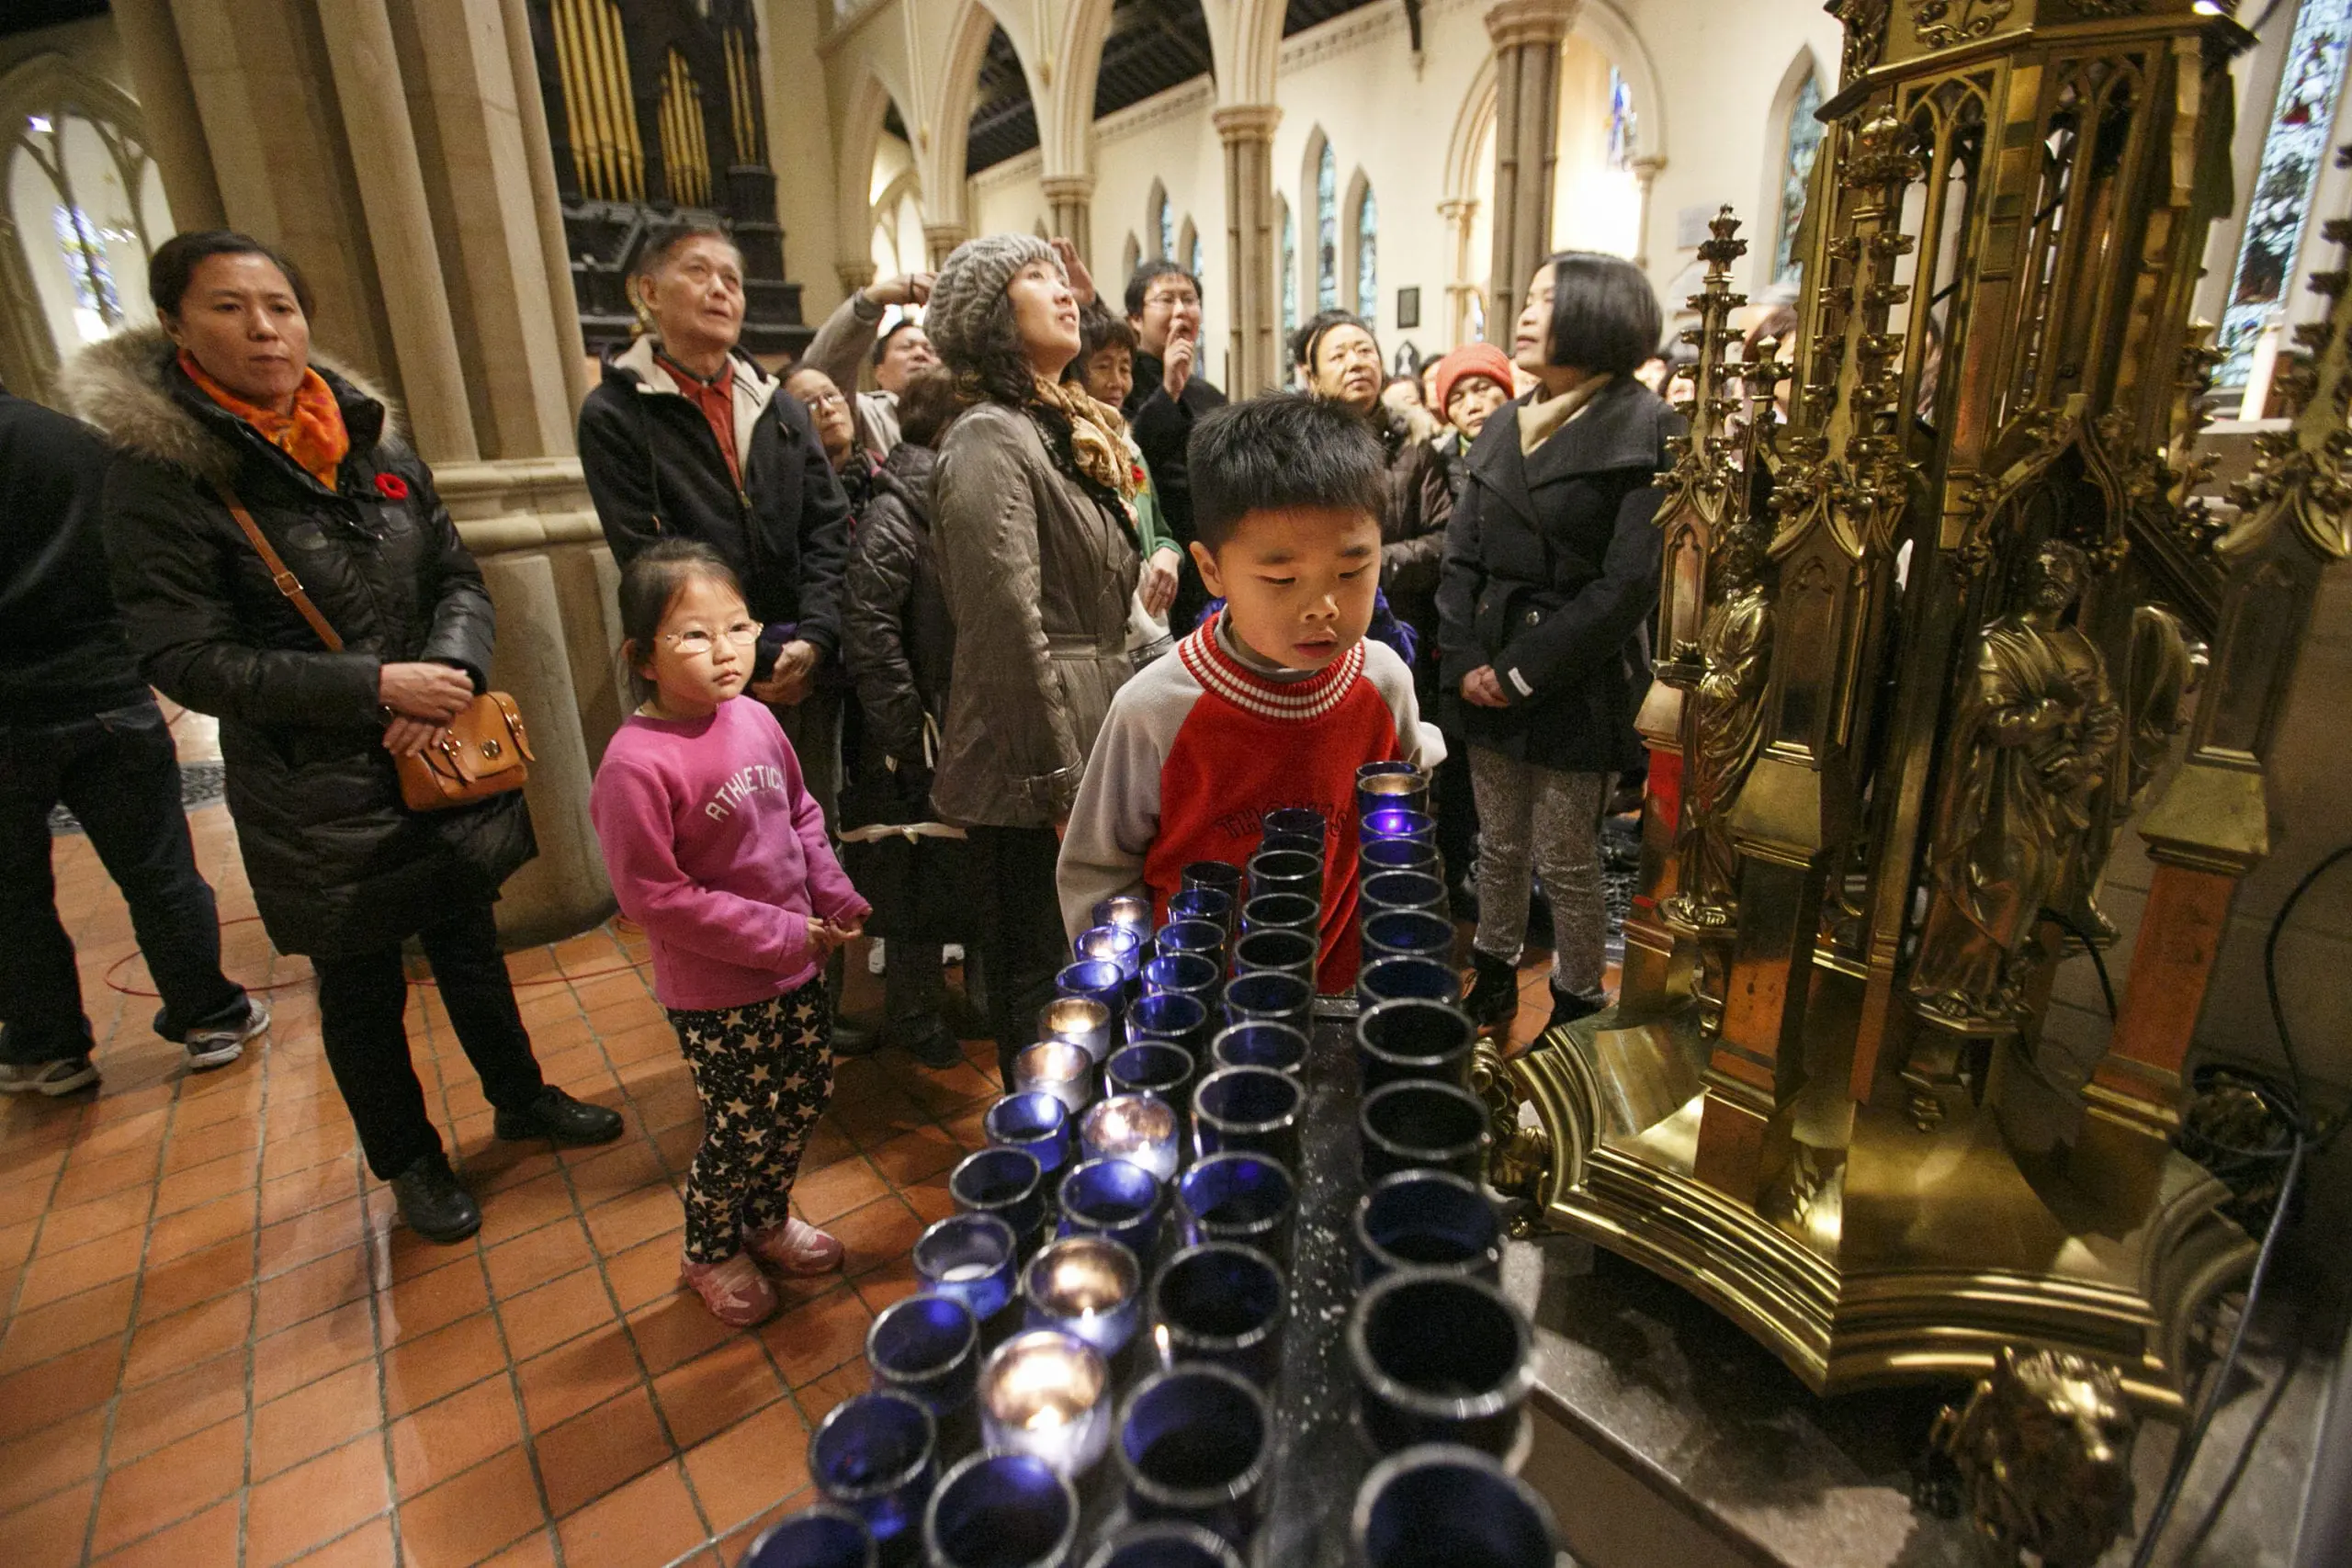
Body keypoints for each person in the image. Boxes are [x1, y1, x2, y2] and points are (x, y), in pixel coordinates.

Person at [76, 231, 619, 1242]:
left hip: (437, 749)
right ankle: (409, 1160)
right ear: (174, 324)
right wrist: (377, 689)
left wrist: (446, 678)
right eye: (230, 306)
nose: (264, 328)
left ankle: (522, 1096)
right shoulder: (163, 476)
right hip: (314, 784)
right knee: (363, 985)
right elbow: (185, 657)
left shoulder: (366, 437)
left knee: (471, 940)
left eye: (280, 305)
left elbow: (455, 571)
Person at [1057, 394, 1442, 994]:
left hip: (1341, 998)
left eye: (1351, 570)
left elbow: (1409, 804)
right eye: (1282, 579)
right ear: (1211, 570)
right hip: (1198, 1009)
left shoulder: (1384, 681)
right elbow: (1097, 869)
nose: (1323, 606)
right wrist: (1139, 999)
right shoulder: (1156, 709)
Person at [590, 540, 868, 1326]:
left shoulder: (754, 718)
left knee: (806, 1092)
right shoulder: (634, 765)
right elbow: (656, 896)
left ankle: (766, 1219)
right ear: (642, 657)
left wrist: (832, 889)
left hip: (798, 963)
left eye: (740, 628)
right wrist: (780, 932)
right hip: (719, 989)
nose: (726, 652)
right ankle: (708, 1249)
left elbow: (800, 813)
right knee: (741, 1122)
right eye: (694, 636)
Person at [1437, 252, 1684, 1038]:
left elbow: (1627, 586)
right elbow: (1459, 558)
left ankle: (1578, 999)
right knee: (1499, 842)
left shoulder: (1648, 426)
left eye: (1549, 297)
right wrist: (1470, 656)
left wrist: (1517, 672)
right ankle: (1498, 972)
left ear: (1599, 313)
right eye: (1531, 292)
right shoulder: (1507, 419)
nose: (1528, 308)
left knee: (1567, 854)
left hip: (1576, 673)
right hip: (1489, 665)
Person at [0, 387, 270, 1095]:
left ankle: (46, 1046)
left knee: (11, 894)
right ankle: (210, 1016)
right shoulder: (73, 441)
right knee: (159, 867)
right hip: (102, 687)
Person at [927, 234, 1142, 1083]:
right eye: (1036, 276)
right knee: (1041, 974)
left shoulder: (1055, 421)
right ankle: (1045, 1156)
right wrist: (1055, 784)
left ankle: (1097, 1130)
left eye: (1061, 278)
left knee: (1094, 953)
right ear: (989, 315)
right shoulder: (988, 436)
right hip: (1030, 750)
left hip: (1091, 714)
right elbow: (1005, 628)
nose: (1062, 292)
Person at [577, 224, 853, 825]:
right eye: (698, 273)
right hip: (702, 673)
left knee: (812, 826)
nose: (720, 290)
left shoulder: (778, 406)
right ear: (647, 291)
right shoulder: (615, 413)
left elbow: (827, 527)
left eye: (732, 279)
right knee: (730, 840)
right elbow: (649, 555)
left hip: (800, 658)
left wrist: (816, 636)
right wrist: (748, 650)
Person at [1293, 310, 1466, 904]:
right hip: (1322, 631)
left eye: (1364, 349)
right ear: (1311, 378)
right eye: (1338, 354)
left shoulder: (1418, 448)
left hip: (1405, 630)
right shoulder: (1298, 451)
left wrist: (1372, 564)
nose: (1357, 362)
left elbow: (1446, 538)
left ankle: (1401, 888)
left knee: (1399, 768)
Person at [839, 369, 971, 1070]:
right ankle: (914, 1011)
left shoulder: (955, 498)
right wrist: (907, 732)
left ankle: (965, 996)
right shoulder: (897, 511)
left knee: (968, 860)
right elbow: (869, 630)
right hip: (923, 724)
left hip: (964, 713)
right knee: (917, 864)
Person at [1068, 307, 1183, 661]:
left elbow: (1160, 529)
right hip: (1105, 638)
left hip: (1153, 627)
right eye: (1103, 366)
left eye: (1125, 367)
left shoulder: (1128, 445)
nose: (1117, 381)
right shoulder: (1073, 445)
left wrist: (1169, 553)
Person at [1123, 259, 1227, 630]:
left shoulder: (1209, 393)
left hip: (1214, 551)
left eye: (1190, 299)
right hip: (1158, 556)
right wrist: (1169, 390)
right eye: (1166, 300)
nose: (1181, 310)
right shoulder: (1121, 378)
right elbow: (1129, 456)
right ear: (1135, 318)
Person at [799, 271, 938, 461]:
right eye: (907, 347)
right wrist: (870, 300)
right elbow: (822, 371)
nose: (920, 354)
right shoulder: (866, 415)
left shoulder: (959, 413)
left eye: (929, 350)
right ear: (879, 372)